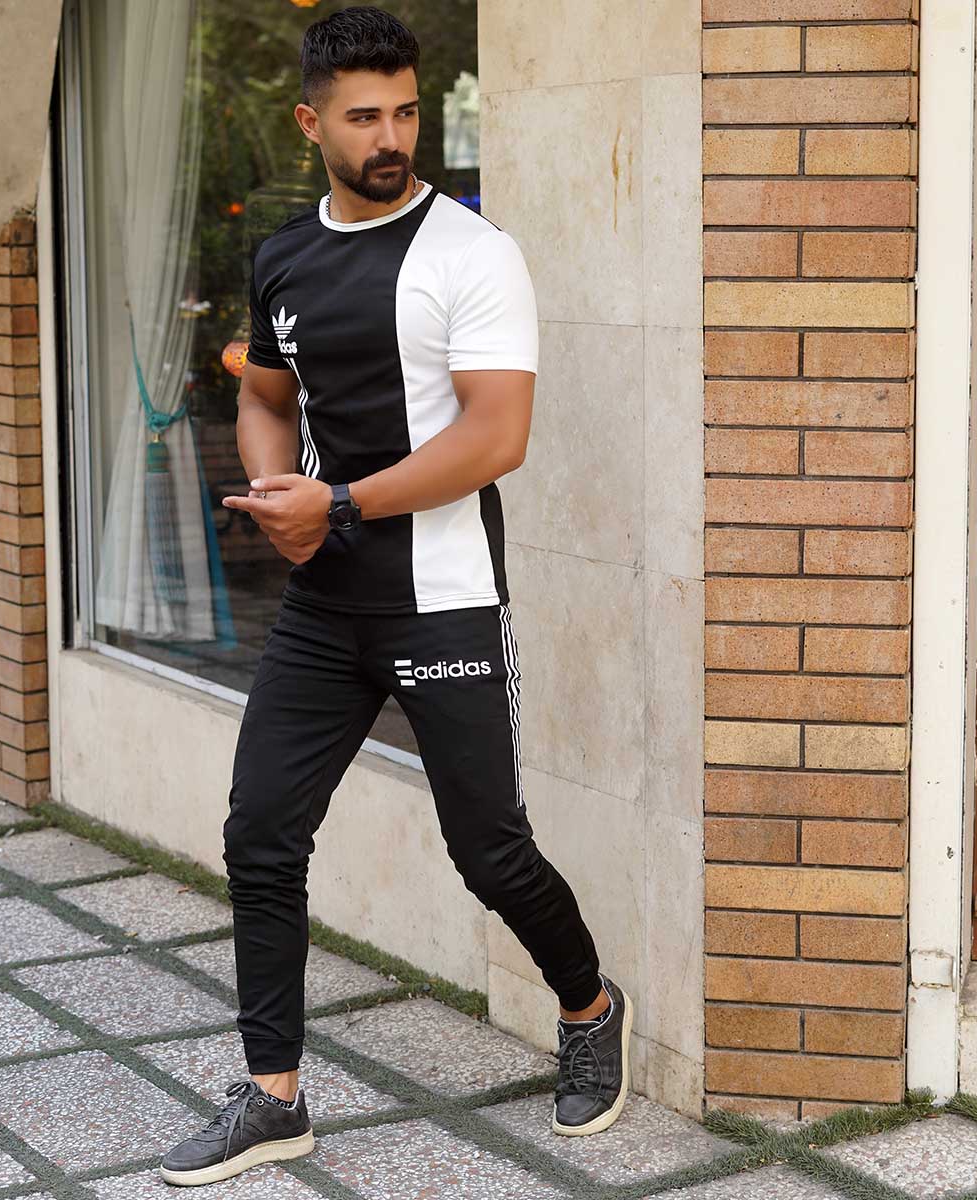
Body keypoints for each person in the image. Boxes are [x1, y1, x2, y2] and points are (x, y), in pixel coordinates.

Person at [159, 6, 631, 1188]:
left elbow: (497, 435)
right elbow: (265, 392)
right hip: (324, 606)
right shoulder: (283, 256)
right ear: (309, 121)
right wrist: (277, 487)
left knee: (490, 852)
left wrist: (338, 505)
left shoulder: (473, 253)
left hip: (444, 597)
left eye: (407, 112)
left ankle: (587, 1005)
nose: (391, 137)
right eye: (364, 116)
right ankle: (273, 1098)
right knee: (261, 835)